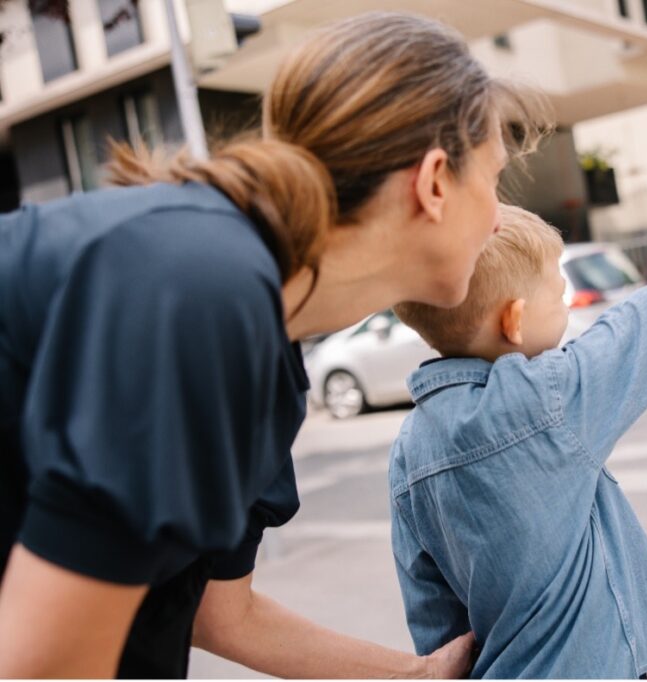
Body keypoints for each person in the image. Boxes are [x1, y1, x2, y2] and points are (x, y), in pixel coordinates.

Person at [0, 12, 547, 678]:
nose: (497, 215)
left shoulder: (264, 350)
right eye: (492, 179)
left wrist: (419, 675)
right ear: (434, 183)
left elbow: (215, 611)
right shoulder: (201, 295)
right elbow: (44, 668)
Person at [389, 205, 647, 678]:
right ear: (514, 321)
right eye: (559, 294)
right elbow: (637, 331)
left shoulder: (407, 450)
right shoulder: (546, 398)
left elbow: (433, 612)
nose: (565, 305)